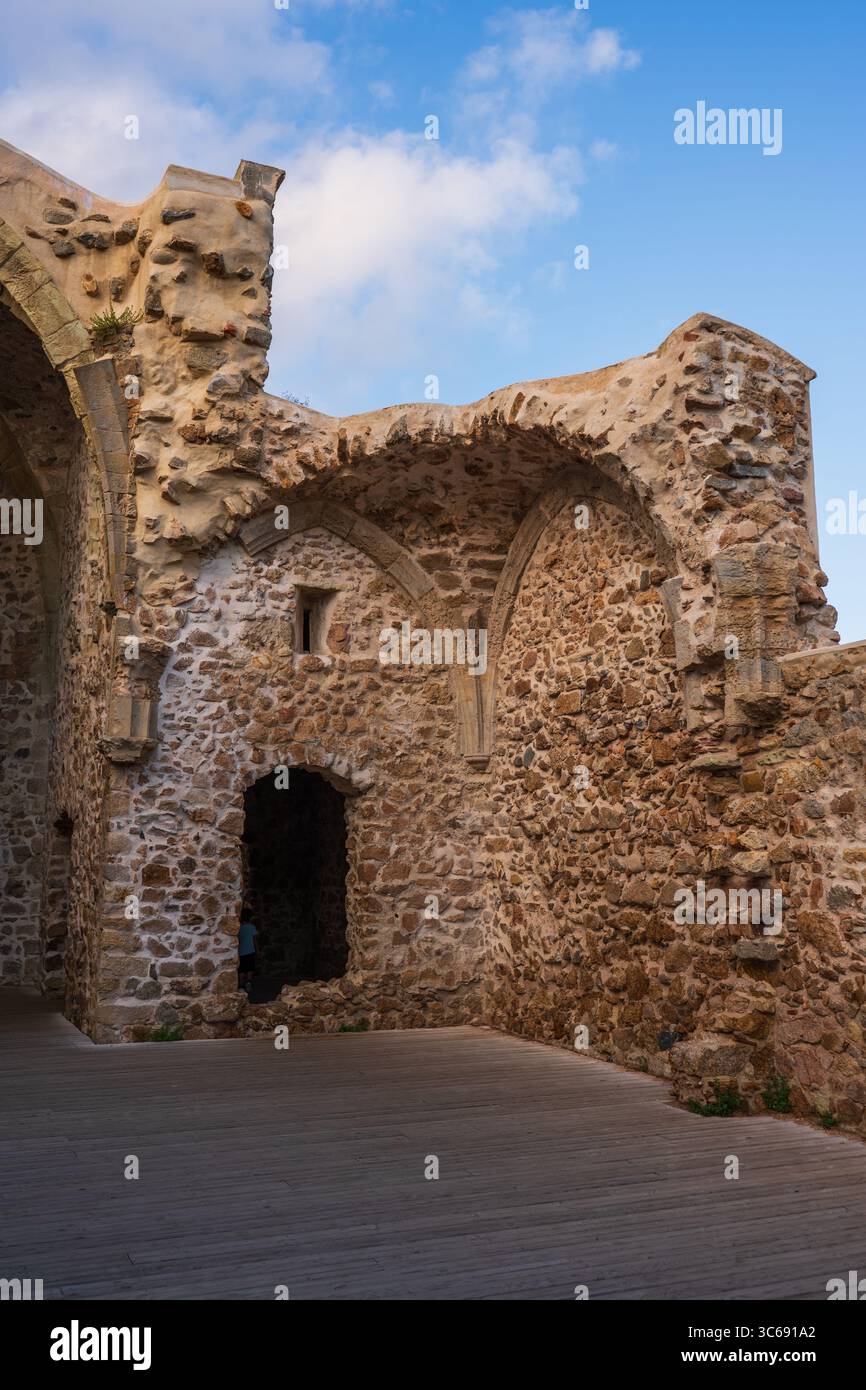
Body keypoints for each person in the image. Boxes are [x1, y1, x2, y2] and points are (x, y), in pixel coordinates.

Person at [238, 907, 258, 993]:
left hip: (240, 952)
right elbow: (254, 940)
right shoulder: (252, 927)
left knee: (241, 970)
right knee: (250, 969)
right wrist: (257, 950)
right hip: (250, 951)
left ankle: (241, 987)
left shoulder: (239, 928)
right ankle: (248, 984)